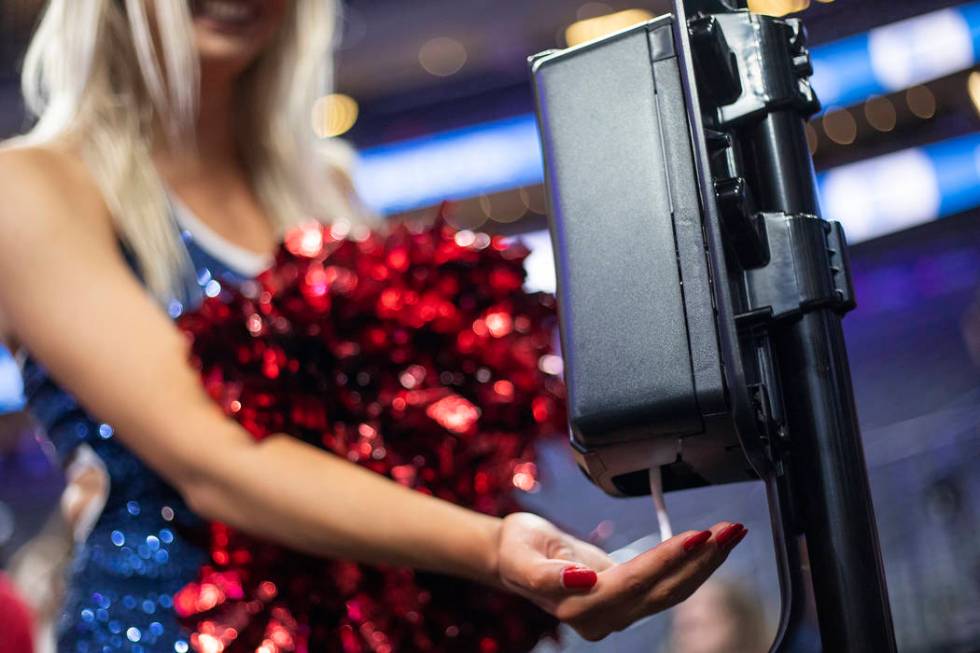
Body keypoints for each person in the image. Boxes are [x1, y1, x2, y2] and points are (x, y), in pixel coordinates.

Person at [0, 1, 746, 650]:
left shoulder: (328, 183)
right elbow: (218, 464)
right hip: (171, 632)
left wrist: (529, 540)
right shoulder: (32, 187)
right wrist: (493, 547)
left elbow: (408, 443)